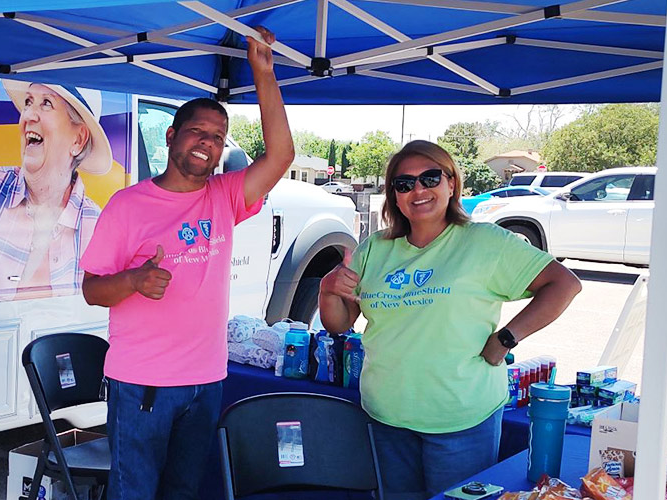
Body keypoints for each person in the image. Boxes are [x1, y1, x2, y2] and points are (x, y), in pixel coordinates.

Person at [79, 27, 294, 499]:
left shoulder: (224, 196)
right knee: (134, 493)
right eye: (197, 130)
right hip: (142, 385)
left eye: (217, 137)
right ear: (172, 135)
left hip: (206, 381)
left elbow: (281, 156)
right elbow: (92, 289)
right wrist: (134, 279)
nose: (207, 142)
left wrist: (264, 74)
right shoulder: (128, 205)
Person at [319, 140, 582, 500]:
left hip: (461, 420)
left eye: (430, 178)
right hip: (386, 417)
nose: (418, 190)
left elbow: (563, 284)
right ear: (393, 196)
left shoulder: (485, 241)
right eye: (404, 183)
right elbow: (340, 324)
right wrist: (328, 290)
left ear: (452, 183)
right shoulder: (375, 248)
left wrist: (506, 338)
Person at [0, 80, 112, 303]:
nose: (28, 116)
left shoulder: (96, 225)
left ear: (79, 139)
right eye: (28, 102)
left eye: (46, 103)